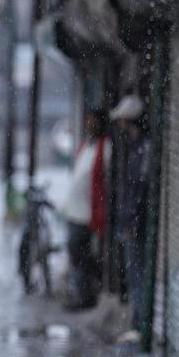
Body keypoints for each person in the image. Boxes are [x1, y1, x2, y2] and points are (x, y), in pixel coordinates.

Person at [60, 106, 111, 312]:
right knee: (76, 253)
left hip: (87, 212)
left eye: (93, 121)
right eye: (88, 121)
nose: (89, 125)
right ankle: (82, 292)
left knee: (79, 251)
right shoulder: (85, 146)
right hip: (74, 210)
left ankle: (85, 295)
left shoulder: (105, 147)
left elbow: (104, 179)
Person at [109, 95, 150, 341]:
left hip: (135, 224)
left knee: (137, 273)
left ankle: (140, 325)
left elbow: (139, 189)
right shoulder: (138, 148)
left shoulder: (142, 149)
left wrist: (131, 222)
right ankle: (138, 324)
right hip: (131, 221)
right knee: (135, 272)